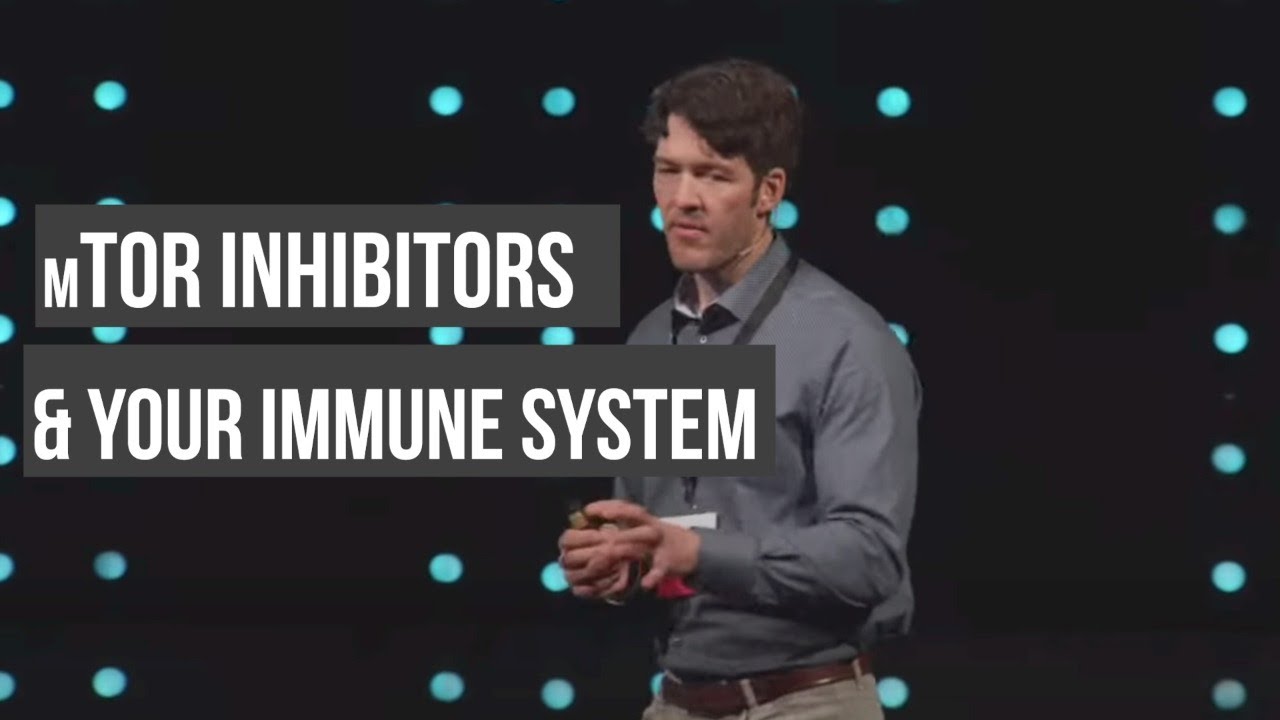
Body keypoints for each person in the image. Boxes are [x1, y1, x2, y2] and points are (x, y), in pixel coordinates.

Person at [558, 57, 922, 720]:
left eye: (713, 175)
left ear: (767, 192)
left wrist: (694, 551)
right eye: (668, 170)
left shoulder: (846, 341)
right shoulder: (650, 341)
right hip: (677, 699)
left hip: (807, 701)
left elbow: (869, 557)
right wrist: (617, 561)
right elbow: (652, 535)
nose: (682, 198)